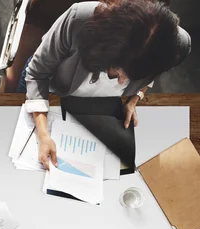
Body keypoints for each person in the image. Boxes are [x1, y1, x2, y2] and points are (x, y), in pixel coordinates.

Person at [20, 0, 191, 169]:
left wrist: (135, 97)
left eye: (130, 78)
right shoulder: (79, 19)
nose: (121, 82)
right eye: (118, 71)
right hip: (51, 87)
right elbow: (37, 73)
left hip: (97, 108)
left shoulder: (177, 46)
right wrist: (43, 134)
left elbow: (153, 72)